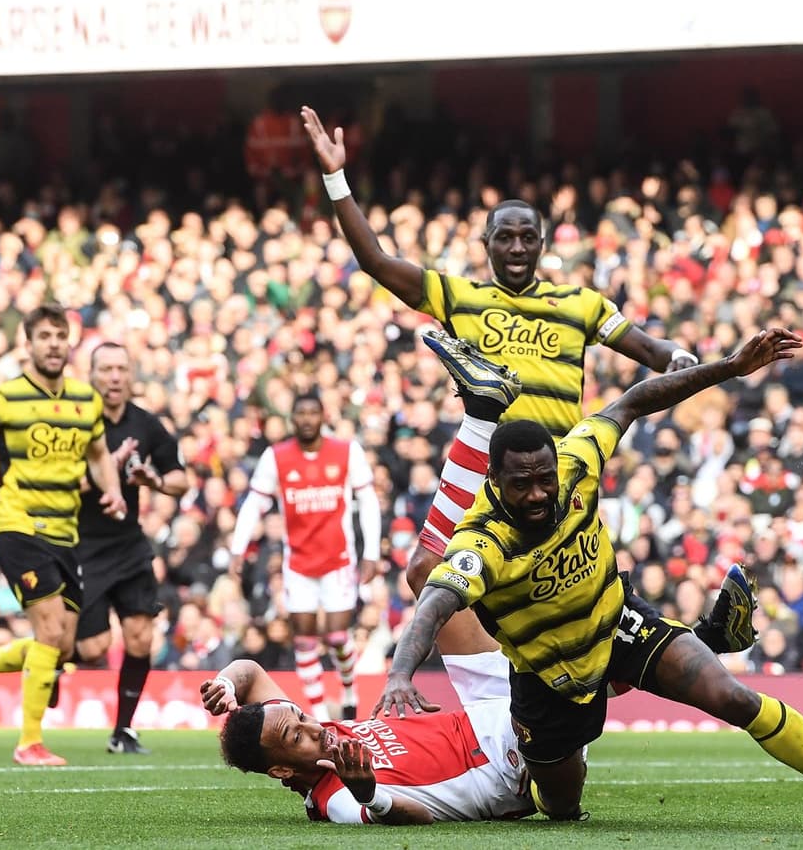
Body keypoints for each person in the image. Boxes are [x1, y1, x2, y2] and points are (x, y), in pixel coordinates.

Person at [373, 329, 803, 829]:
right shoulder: (484, 540)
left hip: (617, 623)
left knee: (732, 698)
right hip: (550, 682)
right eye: (523, 484)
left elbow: (635, 399)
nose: (540, 493)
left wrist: (730, 367)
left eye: (545, 477)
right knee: (560, 809)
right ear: (493, 478)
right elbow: (435, 602)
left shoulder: (576, 461)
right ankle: (705, 637)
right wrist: (401, 674)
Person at [298, 106, 720, 654]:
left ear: (542, 245)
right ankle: (505, 697)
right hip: (487, 470)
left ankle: (662, 651)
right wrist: (336, 178)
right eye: (505, 238)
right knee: (426, 570)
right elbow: (376, 261)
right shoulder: (461, 297)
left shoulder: (581, 304)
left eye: (527, 238)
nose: (517, 248)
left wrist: (680, 357)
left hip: (558, 474)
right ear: (487, 244)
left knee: (574, 617)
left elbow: (648, 347)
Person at [0, 304, 127, 766]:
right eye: (43, 336)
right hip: (20, 527)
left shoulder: (86, 400)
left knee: (63, 646)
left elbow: (100, 454)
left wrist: (114, 492)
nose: (53, 344)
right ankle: (29, 742)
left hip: (66, 535)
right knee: (48, 630)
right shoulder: (3, 398)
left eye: (59, 336)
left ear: (69, 342)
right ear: (28, 344)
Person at [202, 622, 534, 825]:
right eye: (297, 736)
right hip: (500, 763)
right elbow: (421, 816)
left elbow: (250, 671)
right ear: (281, 771)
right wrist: (370, 795)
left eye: (302, 717)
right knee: (556, 689)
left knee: (431, 576)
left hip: (480, 711)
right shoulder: (336, 799)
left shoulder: (290, 726)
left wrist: (225, 685)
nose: (316, 728)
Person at [229, 391, 381, 721]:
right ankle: (319, 715)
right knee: (305, 642)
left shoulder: (345, 452)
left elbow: (368, 501)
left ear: (323, 416)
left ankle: (349, 693)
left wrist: (370, 551)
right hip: (298, 564)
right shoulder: (276, 456)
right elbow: (255, 502)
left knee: (339, 637)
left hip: (338, 560)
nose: (307, 419)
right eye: (301, 413)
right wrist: (238, 547)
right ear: (292, 419)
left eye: (313, 412)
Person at [74, 342, 190, 755]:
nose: (115, 377)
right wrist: (106, 470)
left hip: (128, 544)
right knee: (92, 648)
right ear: (91, 374)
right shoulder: (76, 421)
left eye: (122, 368)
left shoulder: (147, 425)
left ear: (132, 374)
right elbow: (62, 484)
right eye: (106, 369)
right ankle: (51, 662)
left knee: (141, 639)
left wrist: (153, 480)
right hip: (82, 545)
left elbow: (181, 480)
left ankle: (123, 731)